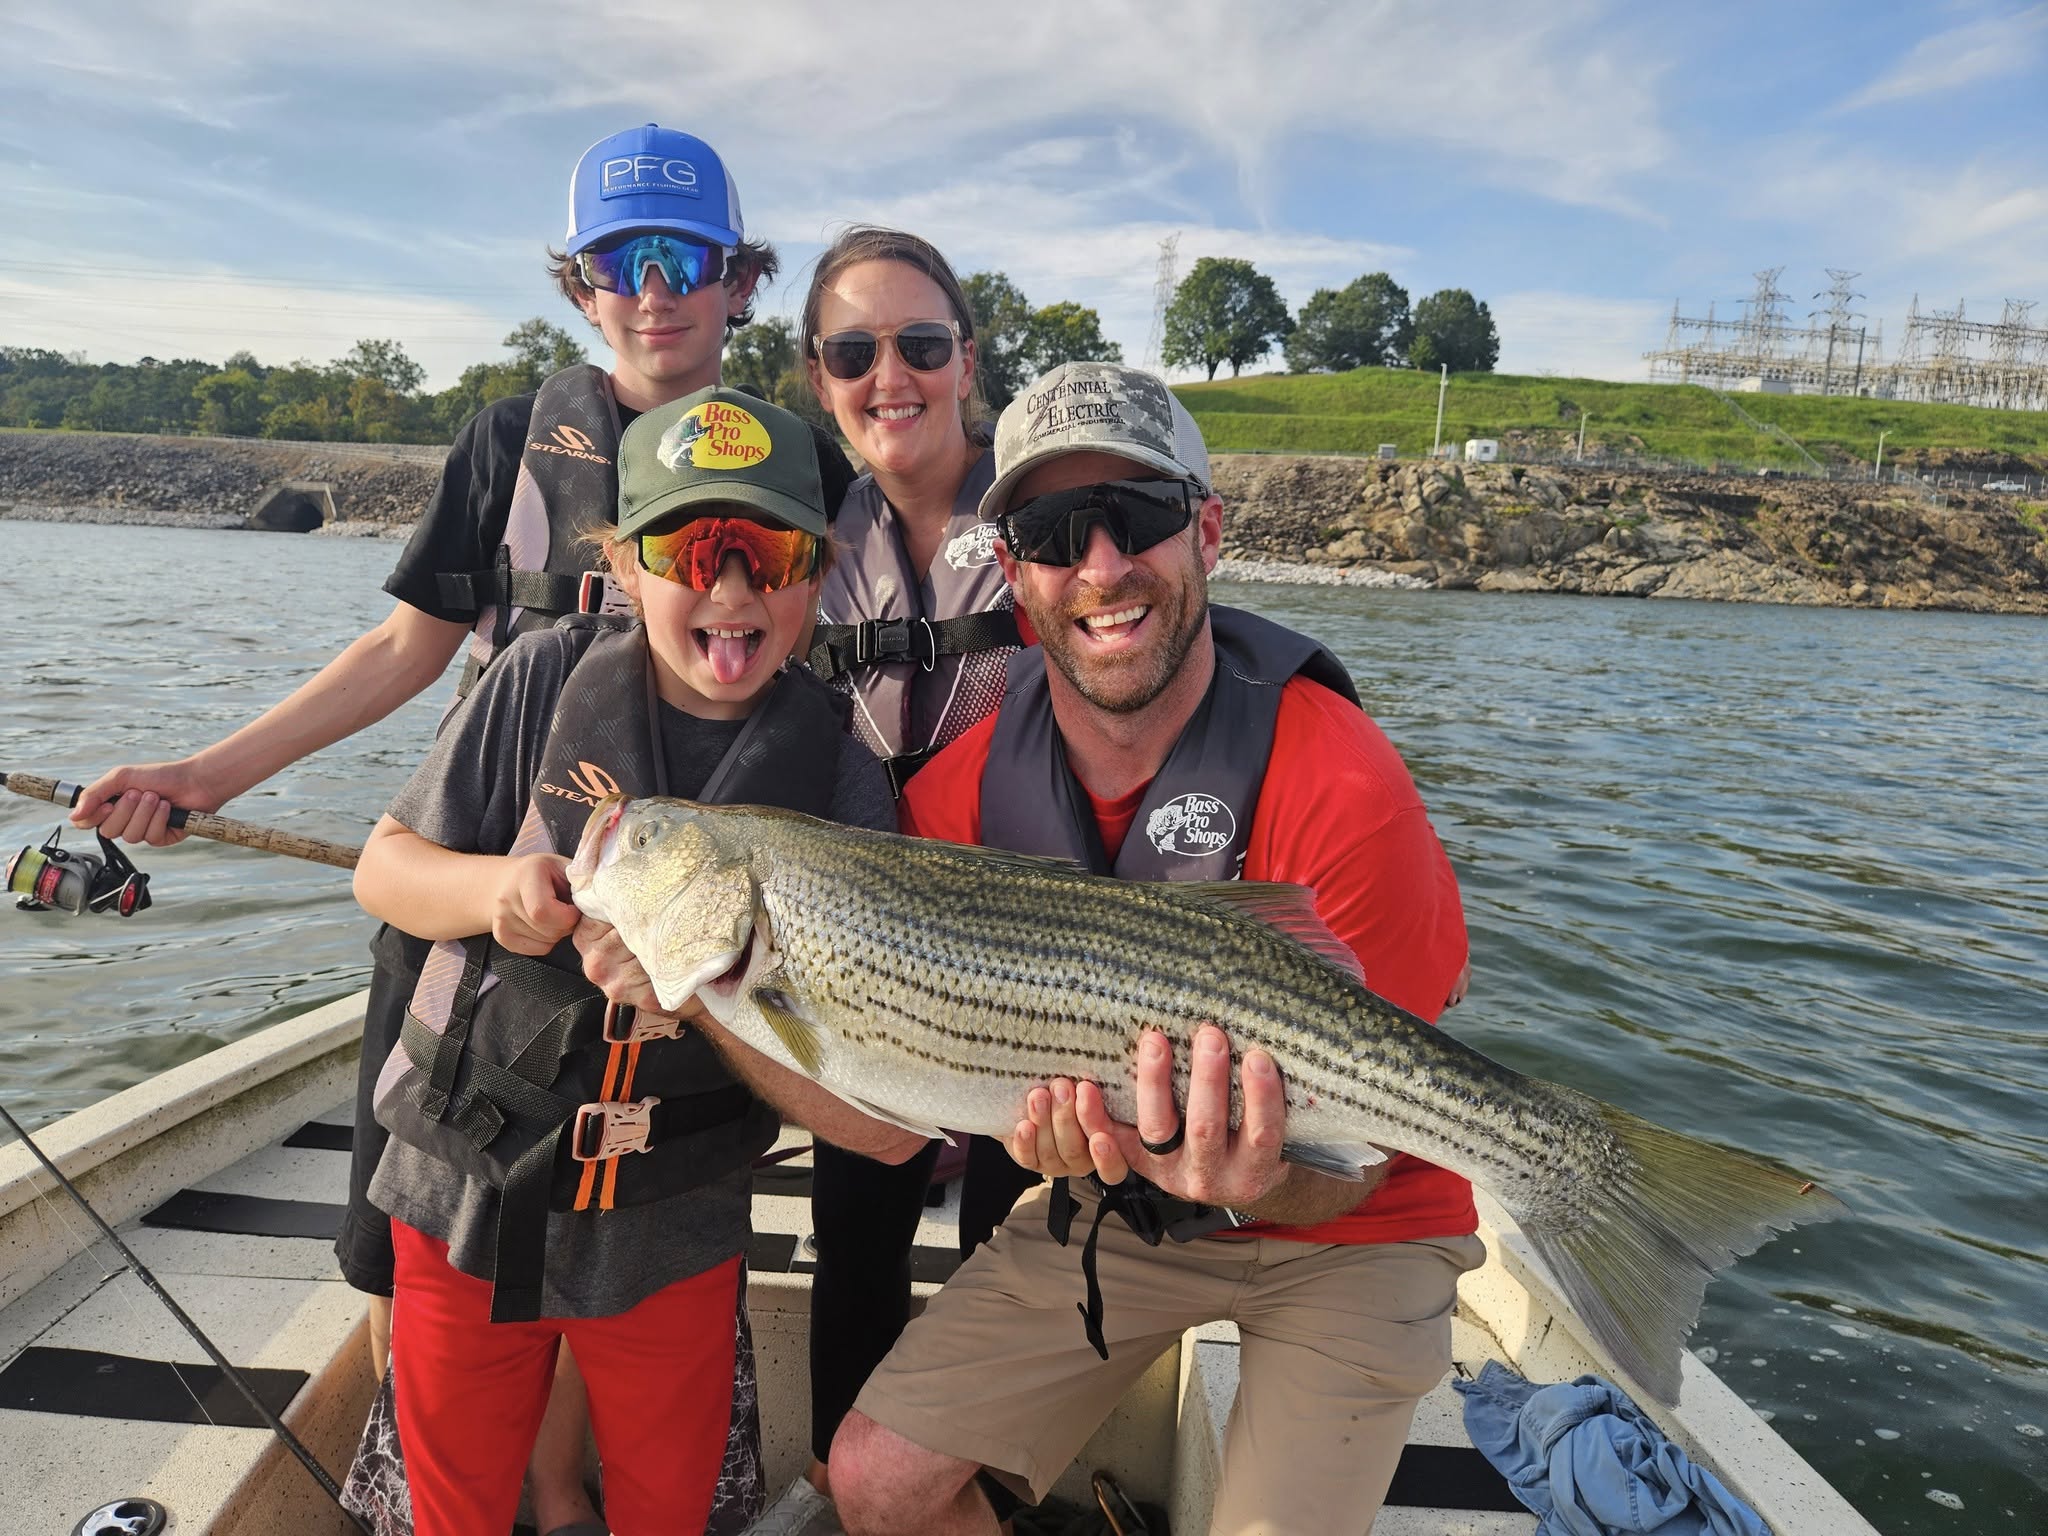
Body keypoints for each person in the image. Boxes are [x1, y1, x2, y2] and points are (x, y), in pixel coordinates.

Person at [70, 123, 852, 1536]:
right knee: (417, 1236)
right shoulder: (510, 441)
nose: (655, 290)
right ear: (578, 286)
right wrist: (207, 772)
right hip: (490, 882)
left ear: (741, 282)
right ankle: (490, 1496)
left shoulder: (783, 462)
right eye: (622, 262)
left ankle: (567, 1497)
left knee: (641, 1239)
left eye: (688, 261)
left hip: (687, 952)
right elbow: (405, 653)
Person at [825, 361, 1485, 1536]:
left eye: (1136, 518)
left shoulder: (1346, 786)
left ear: (1208, 533)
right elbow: (888, 1094)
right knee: (875, 1482)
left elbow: (1377, 1146)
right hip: (1123, 1206)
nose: (1100, 567)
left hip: (1357, 1214)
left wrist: (1262, 1176)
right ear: (1012, 571)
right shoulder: (960, 794)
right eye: (1049, 531)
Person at [350, 385, 907, 1536]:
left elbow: (880, 1115)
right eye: (693, 546)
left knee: (668, 1504)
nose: (734, 588)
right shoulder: (540, 677)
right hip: (464, 1181)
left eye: (773, 550)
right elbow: (386, 866)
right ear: (622, 560)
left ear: (818, 566)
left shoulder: (845, 778)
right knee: (456, 1504)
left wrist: (703, 1001)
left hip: (673, 1217)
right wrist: (492, 891)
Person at [746, 227, 1029, 1536]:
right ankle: (852, 1495)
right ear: (818, 374)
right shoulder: (811, 530)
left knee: (1010, 1246)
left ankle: (976, 1489)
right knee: (852, 1222)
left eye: (921, 344)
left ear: (968, 359)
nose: (891, 377)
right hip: (861, 951)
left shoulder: (1047, 511)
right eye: (855, 352)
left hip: (1032, 955)